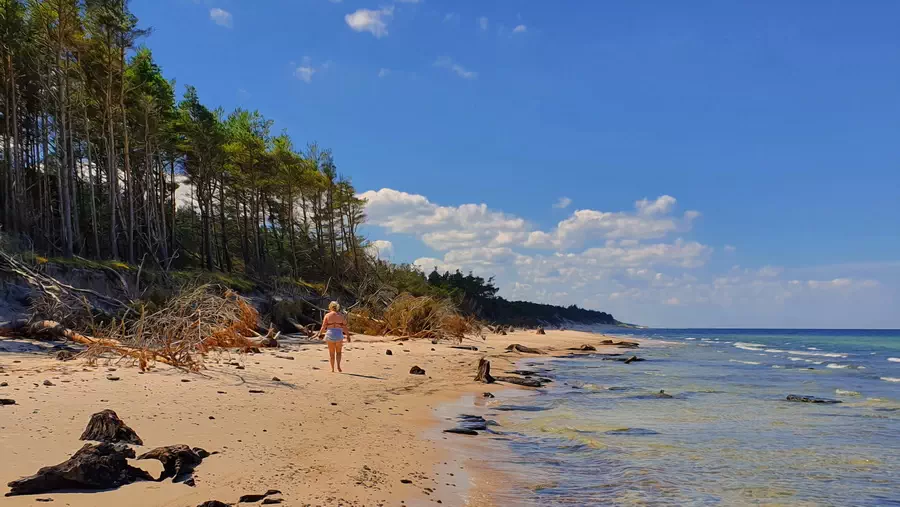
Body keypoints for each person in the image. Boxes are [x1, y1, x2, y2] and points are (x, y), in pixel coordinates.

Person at [318, 301, 350, 373]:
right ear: (337, 307)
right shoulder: (341, 316)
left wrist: (320, 334)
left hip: (330, 334)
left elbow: (323, 326)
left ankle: (332, 369)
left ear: (330, 307)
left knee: (331, 353)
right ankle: (338, 366)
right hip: (339, 334)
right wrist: (348, 336)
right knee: (339, 352)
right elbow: (344, 327)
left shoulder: (327, 315)